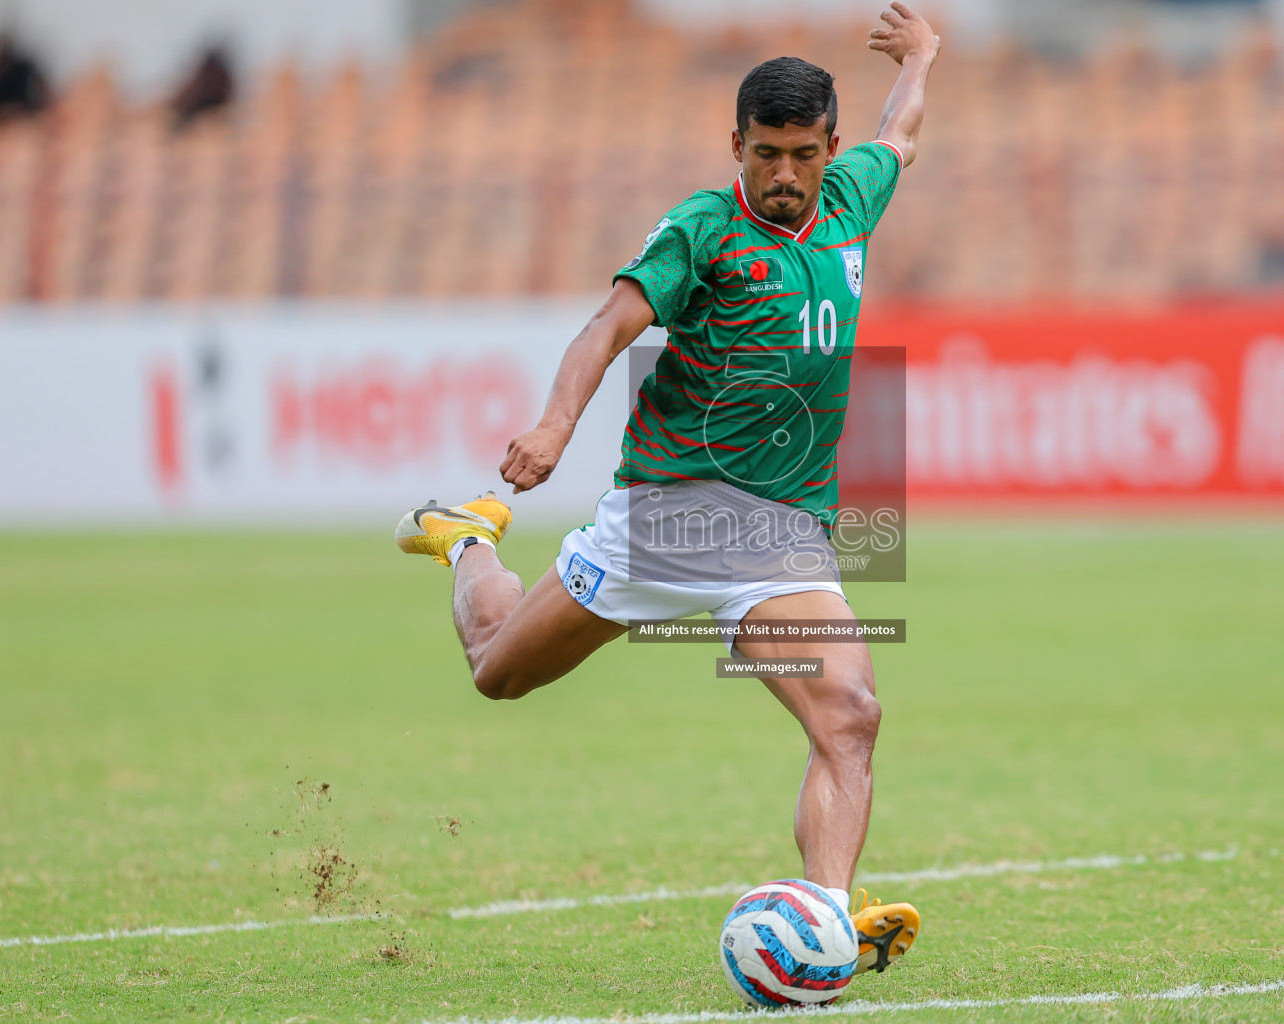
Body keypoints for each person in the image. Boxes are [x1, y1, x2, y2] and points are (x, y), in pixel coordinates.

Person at [395, 0, 939, 988]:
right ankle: (470, 539)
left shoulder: (854, 197)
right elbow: (607, 327)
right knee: (496, 668)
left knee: (850, 713)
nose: (781, 175)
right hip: (668, 515)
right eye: (764, 152)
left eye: (801, 154)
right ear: (736, 143)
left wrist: (926, 53)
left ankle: (821, 921)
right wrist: (557, 426)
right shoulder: (703, 228)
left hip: (782, 533)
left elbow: (901, 128)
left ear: (829, 148)